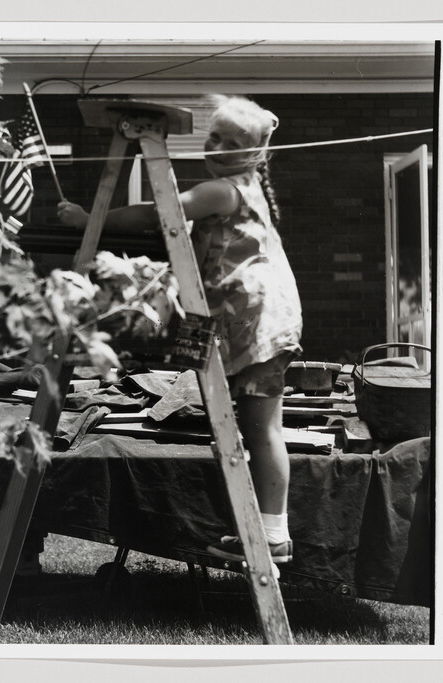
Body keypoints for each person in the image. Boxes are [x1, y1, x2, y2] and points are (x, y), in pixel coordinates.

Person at [57, 95, 303, 563]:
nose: (219, 147)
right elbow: (175, 240)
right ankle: (264, 528)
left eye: (234, 143)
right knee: (250, 428)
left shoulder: (224, 190)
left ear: (254, 155)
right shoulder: (234, 191)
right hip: (240, 320)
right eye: (215, 137)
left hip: (258, 321)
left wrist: (90, 222)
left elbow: (158, 212)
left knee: (261, 426)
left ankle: (274, 535)